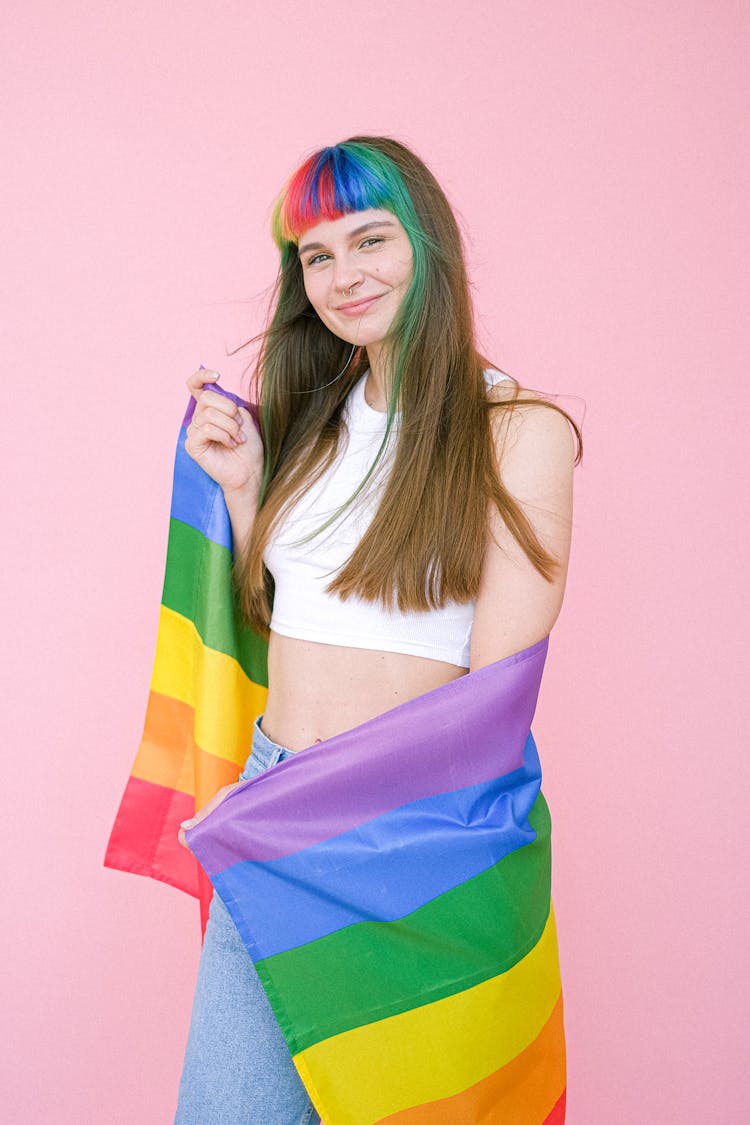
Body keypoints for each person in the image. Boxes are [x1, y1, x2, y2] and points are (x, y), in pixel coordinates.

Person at [173, 136, 580, 1124]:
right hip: (274, 808)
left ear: (428, 245)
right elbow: (284, 622)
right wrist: (240, 490)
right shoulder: (311, 425)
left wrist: (317, 807)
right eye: (316, 255)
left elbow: (490, 703)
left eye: (370, 240)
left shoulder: (519, 430)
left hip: (417, 838)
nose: (343, 275)